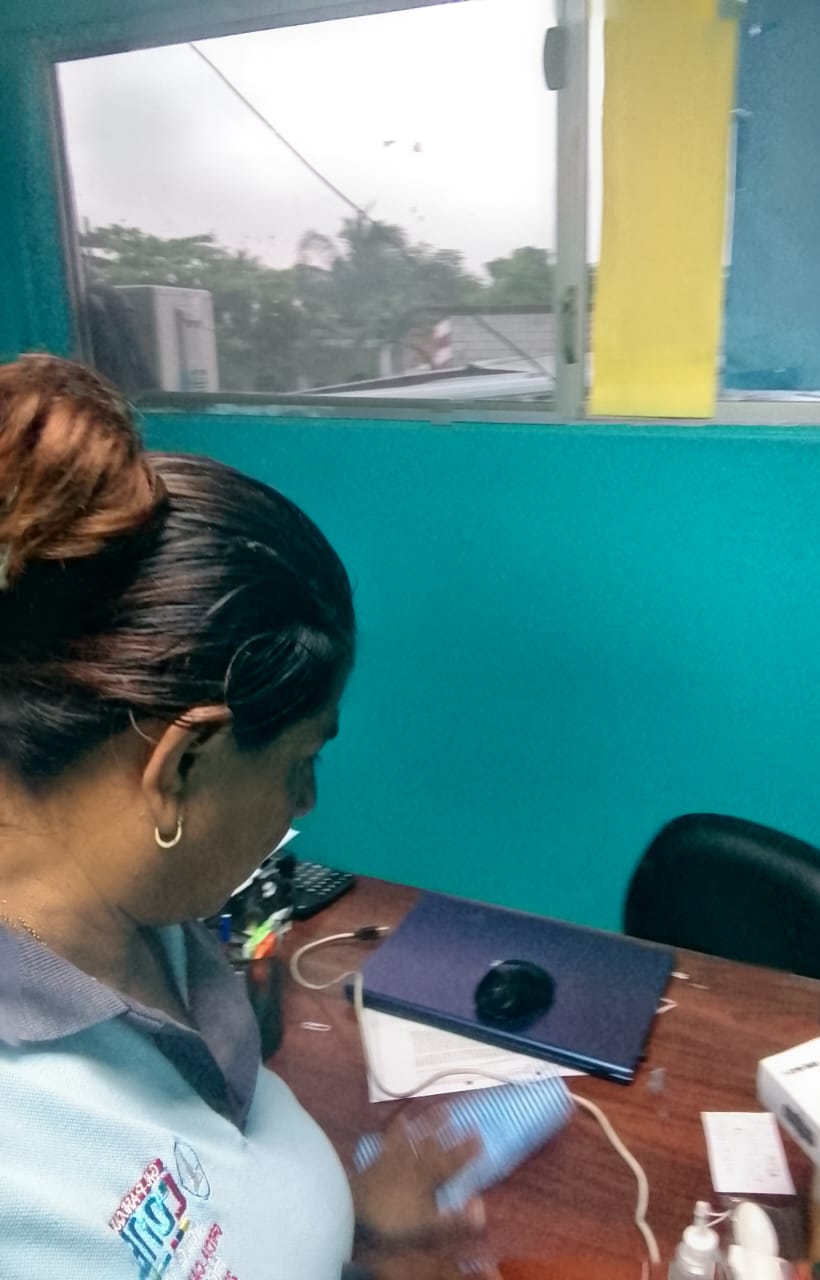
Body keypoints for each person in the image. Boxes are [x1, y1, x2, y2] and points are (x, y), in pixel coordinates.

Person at [0, 354, 497, 1280]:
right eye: (302, 762)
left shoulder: (147, 913)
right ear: (183, 763)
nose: (306, 803)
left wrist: (347, 1237)